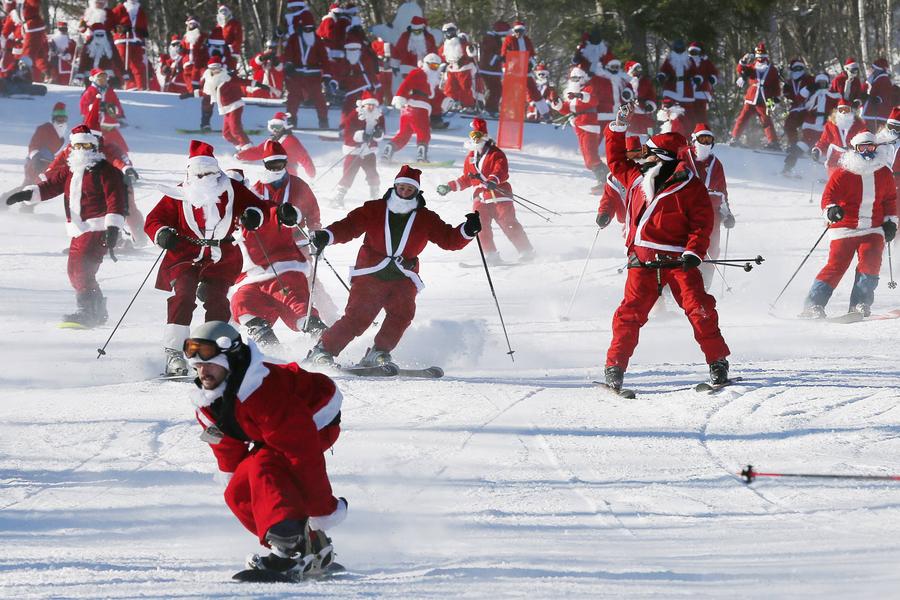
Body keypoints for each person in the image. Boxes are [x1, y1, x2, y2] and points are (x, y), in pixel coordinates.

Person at [184, 320, 346, 579]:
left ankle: (290, 547)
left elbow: (302, 455)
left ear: (230, 361)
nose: (203, 371)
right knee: (237, 490)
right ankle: (310, 543)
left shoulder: (263, 392)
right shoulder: (209, 401)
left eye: (211, 364)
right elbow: (227, 448)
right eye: (198, 365)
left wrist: (322, 509)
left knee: (265, 467)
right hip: (270, 431)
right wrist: (238, 479)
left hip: (315, 419)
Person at [600, 105, 731, 392]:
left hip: (678, 261)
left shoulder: (690, 186)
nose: (642, 159)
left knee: (700, 308)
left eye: (647, 154)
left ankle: (718, 361)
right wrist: (619, 127)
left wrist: (693, 253)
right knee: (629, 314)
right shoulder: (636, 178)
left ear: (662, 158)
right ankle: (615, 366)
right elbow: (615, 159)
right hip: (642, 259)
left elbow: (701, 224)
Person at [304, 166, 481, 367]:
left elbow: (449, 239)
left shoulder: (425, 217)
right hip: (371, 273)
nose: (404, 192)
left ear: (416, 192)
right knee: (359, 317)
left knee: (402, 313)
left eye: (409, 189)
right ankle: (323, 350)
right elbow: (349, 226)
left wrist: (468, 230)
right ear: (395, 186)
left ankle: (378, 353)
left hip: (403, 276)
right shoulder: (374, 209)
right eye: (401, 187)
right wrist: (326, 236)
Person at [143, 140, 268, 376]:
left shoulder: (231, 189)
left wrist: (253, 215)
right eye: (199, 174)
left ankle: (214, 350)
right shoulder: (179, 194)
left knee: (217, 300)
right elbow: (153, 220)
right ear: (190, 173)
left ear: (217, 171)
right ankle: (174, 352)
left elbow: (256, 205)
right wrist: (162, 234)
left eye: (210, 173)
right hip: (185, 255)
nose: (205, 179)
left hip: (221, 257)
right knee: (184, 294)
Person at [6, 124, 126, 327]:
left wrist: (113, 228)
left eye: (86, 145)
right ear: (71, 148)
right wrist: (28, 194)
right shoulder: (72, 170)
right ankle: (96, 310)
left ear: (94, 147)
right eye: (77, 146)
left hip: (98, 228)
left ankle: (88, 312)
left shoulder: (105, 171)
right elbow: (51, 186)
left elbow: (116, 199)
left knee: (81, 270)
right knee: (75, 270)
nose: (82, 150)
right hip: (79, 229)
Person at [230, 140, 325, 344]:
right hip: (262, 257)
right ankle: (259, 341)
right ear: (264, 165)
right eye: (271, 165)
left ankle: (329, 326)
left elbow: (313, 213)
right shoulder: (255, 190)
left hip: (296, 248)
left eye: (280, 164)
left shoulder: (299, 186)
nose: (276, 169)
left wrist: (316, 235)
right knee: (247, 301)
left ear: (285, 163)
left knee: (312, 289)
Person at [801, 131, 897, 318]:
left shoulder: (884, 171)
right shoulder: (843, 172)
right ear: (855, 149)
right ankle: (813, 305)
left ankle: (860, 303)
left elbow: (890, 199)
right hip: (844, 227)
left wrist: (890, 222)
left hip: (873, 228)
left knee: (871, 263)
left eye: (871, 147)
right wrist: (831, 209)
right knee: (837, 265)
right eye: (863, 148)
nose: (867, 152)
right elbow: (829, 196)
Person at [436, 118, 533, 263]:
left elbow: (501, 170)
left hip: (499, 194)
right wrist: (450, 186)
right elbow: (467, 179)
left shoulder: (496, 154)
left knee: (508, 222)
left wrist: (493, 180)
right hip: (480, 197)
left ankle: (526, 250)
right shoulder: (470, 157)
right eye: (472, 136)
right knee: (479, 226)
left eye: (477, 136)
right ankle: (491, 254)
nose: (474, 139)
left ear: (484, 136)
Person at [688, 123, 734, 287]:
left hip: (711, 213)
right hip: (686, 212)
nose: (705, 143)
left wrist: (727, 214)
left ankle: (704, 284)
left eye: (709, 140)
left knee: (712, 247)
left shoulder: (716, 164)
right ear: (694, 140)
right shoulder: (684, 158)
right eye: (702, 139)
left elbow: (723, 192)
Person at [551, 66, 604, 191]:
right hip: (579, 126)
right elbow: (567, 109)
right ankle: (606, 180)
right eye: (572, 78)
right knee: (587, 159)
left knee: (591, 157)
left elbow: (593, 101)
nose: (574, 80)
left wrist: (580, 95)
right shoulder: (571, 93)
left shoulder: (588, 89)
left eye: (576, 78)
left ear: (582, 78)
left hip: (589, 125)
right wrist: (558, 104)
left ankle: (606, 181)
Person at [383, 53, 442, 163]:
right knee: (424, 133)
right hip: (419, 108)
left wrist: (445, 101)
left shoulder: (432, 79)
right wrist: (400, 96)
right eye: (432, 66)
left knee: (404, 134)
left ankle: (388, 150)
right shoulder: (418, 73)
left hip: (407, 110)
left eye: (437, 66)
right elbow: (406, 85)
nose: (434, 69)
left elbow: (437, 96)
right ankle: (421, 157)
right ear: (426, 64)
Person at [283, 11, 331, 129]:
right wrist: (288, 65)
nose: (308, 31)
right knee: (293, 97)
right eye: (306, 28)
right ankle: (291, 120)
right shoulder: (294, 39)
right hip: (297, 74)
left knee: (319, 98)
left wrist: (327, 75)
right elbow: (288, 53)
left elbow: (324, 58)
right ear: (301, 28)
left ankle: (323, 120)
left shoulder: (317, 40)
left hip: (313, 75)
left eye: (311, 28)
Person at [783, 73, 839, 175]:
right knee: (804, 144)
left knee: (830, 149)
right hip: (811, 125)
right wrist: (810, 87)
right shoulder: (811, 94)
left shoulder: (832, 94)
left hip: (825, 127)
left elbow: (841, 101)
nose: (821, 85)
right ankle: (788, 167)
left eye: (824, 82)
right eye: (819, 83)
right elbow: (799, 97)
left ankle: (831, 173)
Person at [335, 90, 384, 204]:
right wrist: (362, 136)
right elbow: (348, 133)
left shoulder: (378, 116)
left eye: (373, 105)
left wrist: (378, 134)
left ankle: (375, 196)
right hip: (354, 151)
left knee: (373, 174)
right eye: (368, 105)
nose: (371, 107)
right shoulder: (354, 115)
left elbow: (382, 131)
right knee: (348, 174)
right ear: (363, 105)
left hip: (369, 151)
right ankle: (339, 197)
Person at [237, 111, 316, 179]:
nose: (274, 130)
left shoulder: (291, 141)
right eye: (272, 127)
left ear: (284, 127)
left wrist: (311, 174)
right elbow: (259, 151)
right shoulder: (272, 140)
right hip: (273, 175)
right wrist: (241, 155)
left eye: (278, 127)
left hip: (288, 176)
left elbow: (304, 157)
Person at [730, 42, 781, 149]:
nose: (760, 57)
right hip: (751, 97)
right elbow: (740, 69)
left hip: (764, 98)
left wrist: (776, 96)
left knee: (766, 120)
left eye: (762, 54)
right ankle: (735, 137)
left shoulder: (772, 69)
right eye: (758, 54)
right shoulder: (752, 66)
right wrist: (743, 61)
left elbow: (776, 84)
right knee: (742, 118)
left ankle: (773, 142)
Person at [201, 55, 251, 151]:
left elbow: (243, 82)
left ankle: (247, 147)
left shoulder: (227, 77)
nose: (215, 70)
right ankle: (241, 148)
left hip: (235, 105)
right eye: (213, 68)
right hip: (225, 108)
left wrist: (260, 85)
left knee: (235, 129)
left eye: (217, 68)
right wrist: (190, 94)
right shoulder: (210, 80)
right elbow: (206, 92)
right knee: (227, 134)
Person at [501, 21, 548, 120]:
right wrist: (506, 61)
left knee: (533, 91)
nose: (519, 33)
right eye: (517, 31)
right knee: (514, 93)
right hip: (513, 71)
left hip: (526, 70)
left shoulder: (526, 40)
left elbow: (531, 54)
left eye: (521, 31)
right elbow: (504, 53)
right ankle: (512, 114)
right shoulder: (509, 39)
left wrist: (532, 63)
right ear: (514, 31)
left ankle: (545, 113)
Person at [812, 99, 867, 174]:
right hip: (835, 158)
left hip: (852, 158)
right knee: (836, 178)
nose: (844, 112)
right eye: (841, 109)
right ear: (837, 110)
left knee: (849, 180)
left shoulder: (859, 124)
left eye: (846, 109)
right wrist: (817, 150)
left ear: (850, 110)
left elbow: (864, 140)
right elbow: (824, 141)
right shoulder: (830, 124)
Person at [79, 68, 127, 151]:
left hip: (109, 124)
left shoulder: (109, 91)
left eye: (105, 78)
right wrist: (95, 107)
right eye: (100, 78)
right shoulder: (90, 91)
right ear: (95, 79)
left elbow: (117, 104)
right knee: (94, 144)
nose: (103, 80)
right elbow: (83, 106)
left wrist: (113, 109)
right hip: (95, 124)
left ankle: (122, 158)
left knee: (119, 146)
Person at [657, 39, 698, 131]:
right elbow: (664, 70)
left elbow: (695, 72)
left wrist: (697, 78)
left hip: (686, 91)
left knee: (688, 115)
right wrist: (662, 76)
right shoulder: (669, 59)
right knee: (670, 113)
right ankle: (669, 132)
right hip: (672, 89)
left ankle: (689, 134)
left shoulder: (689, 60)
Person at [23, 102, 68, 186]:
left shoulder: (61, 138)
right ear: (54, 119)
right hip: (35, 165)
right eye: (59, 119)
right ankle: (6, 198)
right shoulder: (44, 128)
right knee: (28, 190)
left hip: (47, 168)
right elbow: (33, 145)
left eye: (64, 119)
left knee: (40, 192)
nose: (61, 122)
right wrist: (36, 157)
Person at [109, 0, 149, 89]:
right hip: (123, 39)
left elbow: (144, 23)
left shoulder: (140, 10)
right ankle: (118, 83)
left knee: (138, 64)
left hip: (136, 40)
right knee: (121, 61)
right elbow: (111, 22)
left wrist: (144, 31)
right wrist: (119, 28)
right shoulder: (120, 8)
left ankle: (140, 86)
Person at [439, 22, 478, 112]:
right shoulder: (445, 45)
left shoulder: (461, 42)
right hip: (451, 69)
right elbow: (441, 55)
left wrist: (471, 50)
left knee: (465, 87)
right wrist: (442, 63)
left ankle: (468, 105)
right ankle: (451, 103)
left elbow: (470, 52)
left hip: (463, 68)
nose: (450, 35)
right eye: (448, 33)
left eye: (452, 32)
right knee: (450, 87)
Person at [477, 20, 509, 116]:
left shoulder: (494, 38)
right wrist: (497, 58)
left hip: (492, 69)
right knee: (494, 89)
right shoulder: (490, 39)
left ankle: (492, 108)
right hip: (489, 69)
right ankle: (489, 109)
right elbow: (488, 53)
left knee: (496, 89)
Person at [781, 58, 814, 147]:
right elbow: (787, 95)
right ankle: (794, 146)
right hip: (795, 110)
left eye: (800, 68)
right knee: (789, 126)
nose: (798, 71)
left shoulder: (809, 79)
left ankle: (808, 146)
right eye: (796, 68)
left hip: (808, 109)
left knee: (808, 126)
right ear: (792, 70)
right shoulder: (789, 83)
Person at [687, 42, 718, 127]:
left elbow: (714, 72)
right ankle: (690, 134)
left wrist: (712, 78)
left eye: (695, 52)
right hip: (689, 92)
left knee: (701, 116)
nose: (693, 54)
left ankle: (703, 134)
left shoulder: (705, 62)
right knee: (690, 116)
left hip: (702, 92)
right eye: (691, 52)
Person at [623, 61, 656, 138]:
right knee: (630, 133)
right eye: (636, 70)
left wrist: (650, 104)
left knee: (646, 131)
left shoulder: (645, 81)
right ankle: (630, 147)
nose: (638, 72)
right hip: (630, 111)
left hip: (643, 110)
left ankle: (645, 147)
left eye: (639, 70)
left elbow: (651, 95)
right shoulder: (625, 81)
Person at [862, 58, 893, 132]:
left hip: (878, 114)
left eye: (874, 68)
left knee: (874, 133)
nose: (872, 70)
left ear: (878, 69)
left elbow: (885, 95)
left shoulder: (883, 80)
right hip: (875, 113)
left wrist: (876, 99)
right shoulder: (877, 79)